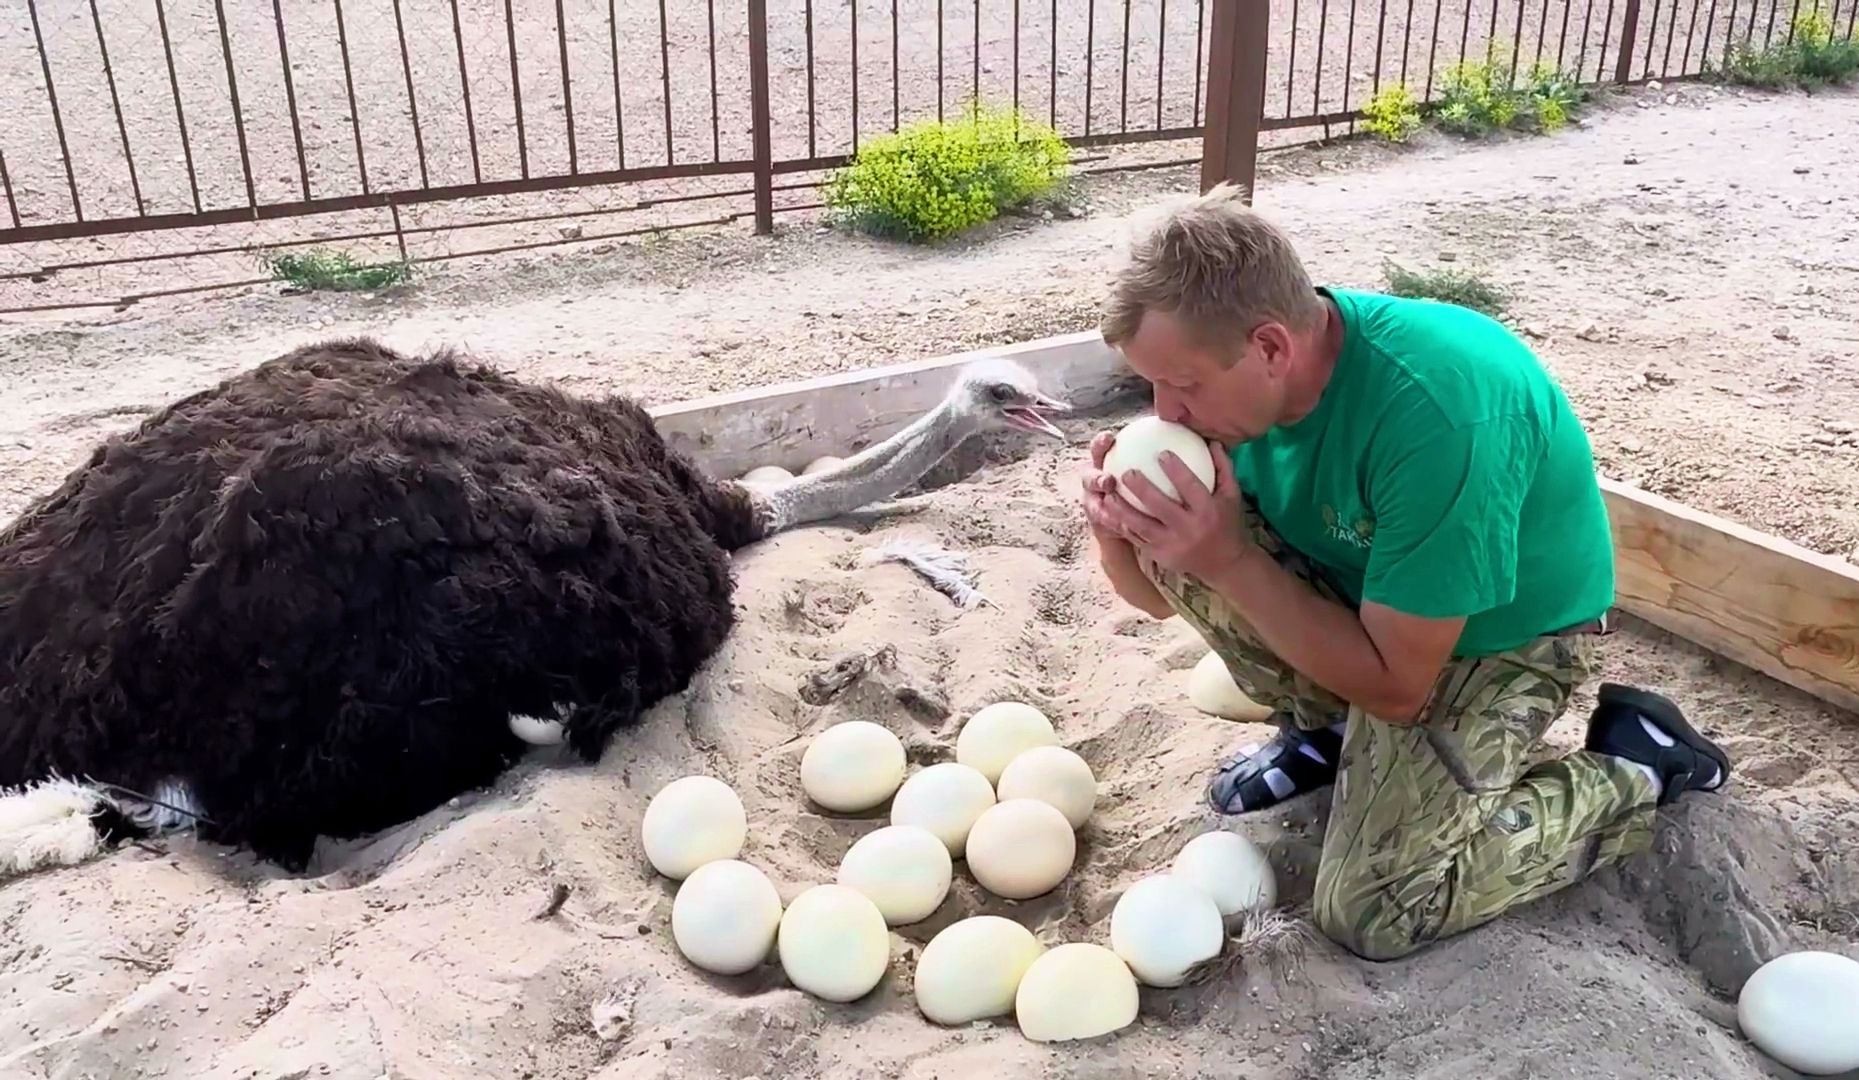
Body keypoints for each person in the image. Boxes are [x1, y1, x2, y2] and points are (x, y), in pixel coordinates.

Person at [1079, 183, 1732, 962]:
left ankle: (1636, 764)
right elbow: (1152, 602)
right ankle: (1326, 730)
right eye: (1148, 385)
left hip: (1501, 640)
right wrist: (1119, 532)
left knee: (1379, 911)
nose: (1166, 412)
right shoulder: (1237, 389)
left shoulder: (1440, 413)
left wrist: (1225, 557)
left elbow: (1398, 687)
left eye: (1182, 385)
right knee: (1183, 522)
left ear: (1269, 348)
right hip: (1363, 590)